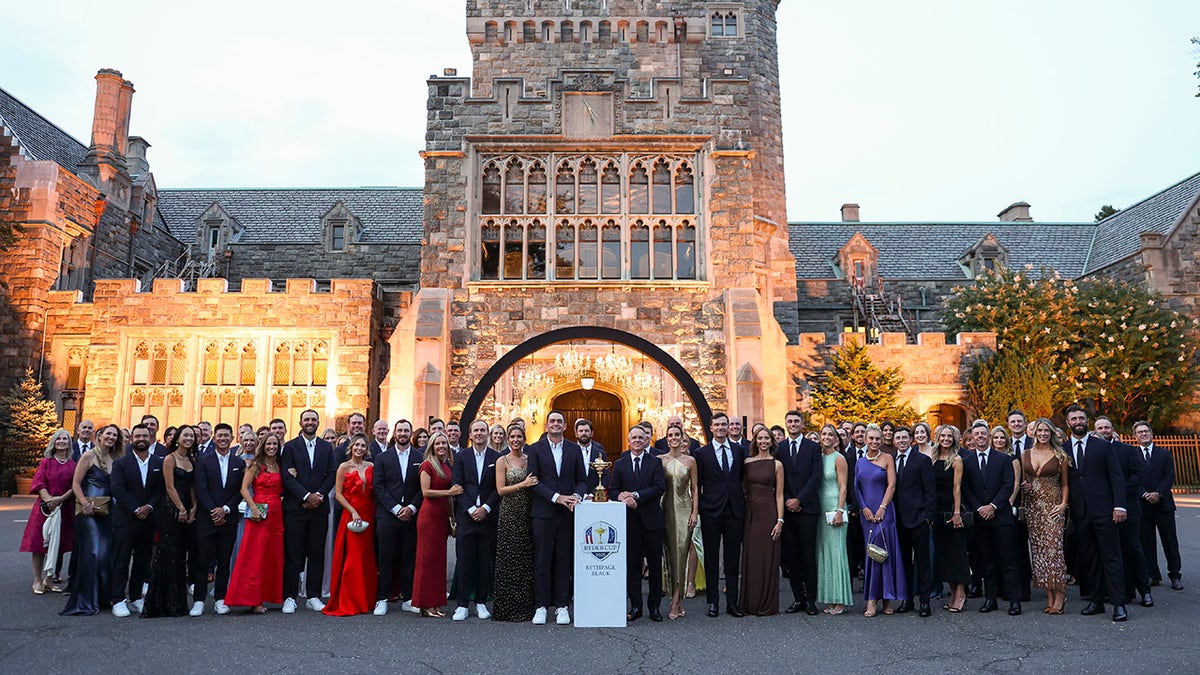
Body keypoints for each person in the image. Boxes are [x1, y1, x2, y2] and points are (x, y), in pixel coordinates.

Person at [1063, 404, 1128, 622]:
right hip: (1080, 514)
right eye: (1074, 419)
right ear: (1068, 423)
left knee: (1111, 558)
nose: (1078, 422)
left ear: (1087, 421)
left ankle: (1118, 605)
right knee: (1090, 560)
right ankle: (1097, 601)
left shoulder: (1102, 446)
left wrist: (1119, 506)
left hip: (1105, 512)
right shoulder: (1063, 449)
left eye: (1081, 418)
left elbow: (1116, 477)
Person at [526, 410, 587, 625]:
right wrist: (556, 497)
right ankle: (541, 606)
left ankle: (562, 606)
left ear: (565, 426)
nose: (555, 424)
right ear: (546, 425)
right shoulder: (535, 449)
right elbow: (533, 481)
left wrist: (576, 497)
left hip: (567, 514)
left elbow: (582, 479)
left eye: (559, 421)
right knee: (542, 560)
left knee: (564, 560)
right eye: (552, 421)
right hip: (543, 512)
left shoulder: (574, 449)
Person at [280, 409, 338, 614]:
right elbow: (286, 477)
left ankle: (313, 596)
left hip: (319, 509)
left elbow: (332, 474)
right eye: (307, 419)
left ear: (318, 422)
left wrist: (319, 495)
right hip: (296, 509)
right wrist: (306, 496)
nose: (310, 422)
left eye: (313, 419)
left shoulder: (326, 447)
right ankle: (289, 597)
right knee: (293, 553)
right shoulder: (290, 447)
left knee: (316, 553)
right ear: (300, 423)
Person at [62, 424, 122, 616]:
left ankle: (103, 597)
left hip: (109, 511)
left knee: (106, 554)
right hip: (89, 512)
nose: (111, 437)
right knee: (93, 553)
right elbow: (76, 483)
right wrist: (84, 503)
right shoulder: (88, 456)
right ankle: (86, 598)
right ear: (100, 435)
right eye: (108, 434)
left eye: (115, 435)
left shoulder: (117, 458)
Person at [1093, 416, 1152, 607]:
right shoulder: (1093, 451)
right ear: (1095, 431)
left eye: (1107, 427)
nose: (1104, 430)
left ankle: (1145, 591)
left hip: (1129, 507)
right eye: (1100, 428)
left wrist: (1119, 491)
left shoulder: (1127, 450)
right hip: (1104, 510)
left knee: (1133, 548)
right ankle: (1121, 592)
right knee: (1112, 553)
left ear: (1113, 429)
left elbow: (1138, 474)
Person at [611, 425, 667, 621]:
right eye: (633, 438)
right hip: (629, 523)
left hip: (652, 522)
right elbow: (613, 490)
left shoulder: (655, 462)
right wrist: (622, 497)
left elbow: (659, 488)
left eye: (640, 438)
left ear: (646, 441)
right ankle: (635, 607)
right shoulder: (620, 464)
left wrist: (635, 495)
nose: (637, 440)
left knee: (655, 567)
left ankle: (654, 608)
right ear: (628, 441)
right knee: (633, 567)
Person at [225, 434, 285, 613]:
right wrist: (253, 508)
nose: (272, 447)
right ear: (263, 445)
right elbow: (244, 489)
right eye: (268, 444)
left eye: (274, 444)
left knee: (271, 556)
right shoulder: (255, 465)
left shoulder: (279, 465)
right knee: (255, 556)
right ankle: (252, 599)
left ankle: (267, 596)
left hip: (276, 513)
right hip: (259, 512)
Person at [694, 412, 746, 618]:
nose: (721, 428)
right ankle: (713, 602)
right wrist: (700, 508)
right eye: (717, 425)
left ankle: (732, 603)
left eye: (724, 424)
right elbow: (698, 484)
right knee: (712, 559)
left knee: (733, 560)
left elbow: (740, 478)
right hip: (711, 511)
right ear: (711, 428)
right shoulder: (701, 453)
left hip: (734, 510)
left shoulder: (739, 450)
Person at [141, 426, 197, 618]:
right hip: (170, 509)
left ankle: (177, 602)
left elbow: (192, 486)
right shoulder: (169, 459)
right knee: (167, 554)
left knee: (180, 556)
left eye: (191, 436)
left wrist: (194, 506)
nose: (189, 438)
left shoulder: (191, 459)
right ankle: (160, 603)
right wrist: (181, 508)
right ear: (177, 438)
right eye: (185, 435)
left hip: (187, 507)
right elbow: (169, 487)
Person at [191, 423, 246, 616]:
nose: (223, 439)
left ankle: (221, 599)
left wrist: (225, 509)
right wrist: (213, 511)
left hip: (228, 518)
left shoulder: (239, 463)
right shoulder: (203, 460)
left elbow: (240, 490)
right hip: (207, 518)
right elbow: (201, 488)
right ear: (214, 438)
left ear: (232, 438)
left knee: (224, 560)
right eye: (220, 435)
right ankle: (198, 600)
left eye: (226, 436)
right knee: (202, 560)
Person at [372, 418, 424, 615]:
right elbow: (378, 486)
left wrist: (411, 507)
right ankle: (382, 598)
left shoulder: (420, 457)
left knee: (409, 558)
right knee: (385, 557)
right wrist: (395, 508)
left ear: (411, 433)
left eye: (406, 431)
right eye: (400, 430)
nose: (403, 434)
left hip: (411, 515)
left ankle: (408, 598)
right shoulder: (382, 458)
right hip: (388, 515)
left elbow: (422, 487)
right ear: (395, 433)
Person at [109, 424, 163, 617]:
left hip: (148, 519)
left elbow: (160, 490)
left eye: (144, 436)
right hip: (126, 519)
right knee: (122, 560)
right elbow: (118, 489)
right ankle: (117, 599)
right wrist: (135, 508)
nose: (141, 439)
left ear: (150, 438)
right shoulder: (121, 463)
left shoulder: (157, 462)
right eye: (138, 436)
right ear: (131, 439)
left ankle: (135, 596)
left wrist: (149, 507)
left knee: (142, 561)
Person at [451, 420, 501, 621]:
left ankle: (481, 602)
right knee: (465, 561)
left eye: (482, 430)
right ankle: (462, 604)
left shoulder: (496, 458)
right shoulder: (461, 457)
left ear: (487, 433)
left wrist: (485, 508)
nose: (479, 433)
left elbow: (498, 488)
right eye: (476, 430)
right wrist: (472, 509)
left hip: (488, 517)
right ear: (470, 434)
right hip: (467, 516)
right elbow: (457, 485)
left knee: (484, 562)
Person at [323, 434, 378, 616]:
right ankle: (350, 600)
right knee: (353, 558)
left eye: (363, 446)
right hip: (351, 514)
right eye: (357, 445)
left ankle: (366, 600)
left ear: (366, 449)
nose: (359, 448)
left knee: (366, 557)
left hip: (368, 513)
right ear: (351, 447)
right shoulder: (343, 467)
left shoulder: (371, 466)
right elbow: (338, 494)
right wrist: (353, 511)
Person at [1021, 418, 1069, 614]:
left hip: (1053, 507)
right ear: (1034, 433)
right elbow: (1024, 480)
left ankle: (1060, 594)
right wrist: (1026, 486)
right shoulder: (1025, 454)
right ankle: (1049, 595)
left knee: (1054, 550)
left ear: (1051, 433)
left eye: (1046, 431)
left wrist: (1063, 504)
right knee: (1039, 551)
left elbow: (1065, 484)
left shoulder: (1060, 455)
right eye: (1039, 430)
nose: (1042, 434)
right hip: (1033, 509)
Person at [411, 431, 462, 616]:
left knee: (438, 561)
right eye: (438, 443)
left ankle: (436, 602)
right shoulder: (427, 465)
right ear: (432, 446)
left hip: (441, 516)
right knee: (427, 560)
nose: (441, 446)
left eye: (444, 443)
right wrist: (449, 493)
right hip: (429, 516)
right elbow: (426, 492)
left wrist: (451, 516)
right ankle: (425, 603)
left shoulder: (445, 465)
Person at [492, 423, 538, 622]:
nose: (516, 440)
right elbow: (500, 490)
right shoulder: (502, 460)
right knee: (509, 558)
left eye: (519, 436)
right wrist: (523, 484)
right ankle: (508, 608)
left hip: (528, 511)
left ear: (524, 439)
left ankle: (526, 607)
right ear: (508, 440)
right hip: (510, 512)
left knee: (526, 558)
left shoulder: (530, 459)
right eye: (512, 437)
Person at [856, 425, 904, 617]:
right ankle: (871, 600)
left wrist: (882, 507)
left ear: (882, 440)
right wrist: (864, 508)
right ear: (865, 440)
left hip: (885, 513)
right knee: (871, 554)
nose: (874, 442)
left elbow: (892, 485)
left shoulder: (887, 458)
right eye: (871, 438)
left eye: (878, 439)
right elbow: (856, 487)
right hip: (867, 514)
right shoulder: (860, 462)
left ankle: (886, 598)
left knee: (884, 553)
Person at [21, 430, 75, 595]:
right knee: (39, 544)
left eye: (65, 438)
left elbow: (75, 486)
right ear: (53, 442)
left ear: (69, 443)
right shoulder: (46, 462)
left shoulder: (73, 465)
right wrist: (49, 500)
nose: (61, 441)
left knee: (57, 543)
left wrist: (60, 500)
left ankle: (49, 579)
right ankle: (37, 580)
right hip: (44, 509)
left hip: (64, 508)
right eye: (58, 438)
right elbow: (39, 482)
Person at [737, 427, 784, 616]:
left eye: (767, 438)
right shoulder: (747, 462)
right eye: (760, 438)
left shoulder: (777, 465)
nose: (763, 441)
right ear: (755, 441)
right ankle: (750, 603)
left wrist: (780, 520)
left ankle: (766, 603)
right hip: (750, 513)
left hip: (768, 513)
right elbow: (741, 487)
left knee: (767, 556)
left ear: (772, 442)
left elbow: (779, 494)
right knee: (751, 556)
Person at [779, 410, 822, 616]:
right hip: (787, 510)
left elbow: (816, 476)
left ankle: (811, 599)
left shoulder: (813, 447)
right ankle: (798, 598)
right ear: (786, 424)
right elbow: (778, 478)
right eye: (790, 421)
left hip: (808, 509)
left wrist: (799, 499)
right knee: (792, 556)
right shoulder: (779, 448)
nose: (793, 424)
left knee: (808, 556)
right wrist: (789, 500)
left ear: (802, 424)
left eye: (796, 421)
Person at [891, 426, 935, 617]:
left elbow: (930, 489)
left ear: (911, 440)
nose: (901, 441)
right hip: (898, 520)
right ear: (894, 441)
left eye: (904, 437)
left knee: (922, 562)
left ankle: (925, 602)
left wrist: (928, 517)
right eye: (898, 438)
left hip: (918, 519)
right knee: (904, 563)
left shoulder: (922, 460)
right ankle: (907, 599)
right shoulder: (891, 460)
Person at [1135, 421, 1182, 591]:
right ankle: (1152, 574)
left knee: (1170, 542)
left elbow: (1169, 476)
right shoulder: (1132, 455)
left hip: (1164, 505)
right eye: (1140, 432)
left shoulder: (1164, 453)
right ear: (1135, 436)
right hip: (1143, 505)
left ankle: (1175, 575)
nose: (1143, 434)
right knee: (1147, 542)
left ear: (1151, 433)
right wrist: (1144, 494)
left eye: (1146, 431)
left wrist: (1158, 493)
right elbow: (1132, 478)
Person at [659, 425, 699, 620]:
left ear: (683, 438)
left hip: (685, 509)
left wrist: (694, 512)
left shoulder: (690, 461)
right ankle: (675, 598)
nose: (674, 438)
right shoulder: (660, 460)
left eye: (677, 435)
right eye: (671, 435)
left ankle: (676, 601)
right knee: (668, 554)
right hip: (664, 509)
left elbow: (696, 487)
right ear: (667, 439)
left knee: (682, 553)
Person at [932, 425, 969, 612]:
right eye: (943, 436)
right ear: (938, 437)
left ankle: (961, 594)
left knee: (957, 552)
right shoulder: (932, 458)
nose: (946, 439)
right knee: (944, 554)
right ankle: (953, 592)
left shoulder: (957, 459)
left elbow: (957, 487)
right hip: (936, 510)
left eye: (949, 436)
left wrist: (956, 512)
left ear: (954, 439)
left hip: (951, 509)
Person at [814, 424, 851, 614]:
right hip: (820, 509)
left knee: (837, 552)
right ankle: (830, 597)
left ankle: (841, 599)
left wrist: (839, 510)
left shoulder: (839, 458)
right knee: (824, 552)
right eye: (824, 434)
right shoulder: (819, 457)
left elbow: (843, 486)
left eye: (831, 434)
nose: (827, 437)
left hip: (835, 507)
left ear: (836, 439)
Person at [994, 425, 1032, 605]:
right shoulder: (990, 458)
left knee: (1015, 550)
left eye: (1002, 438)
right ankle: (1001, 589)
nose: (999, 441)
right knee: (998, 551)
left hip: (1009, 506)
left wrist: (1007, 503)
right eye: (996, 438)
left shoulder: (1013, 458)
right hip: (994, 506)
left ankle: (1020, 590)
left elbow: (1016, 484)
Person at [575, 418, 609, 496]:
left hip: (595, 496)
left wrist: (593, 494)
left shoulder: (600, 453)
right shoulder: (570, 451)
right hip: (575, 496)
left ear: (592, 433)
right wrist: (578, 494)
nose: (584, 433)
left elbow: (606, 476)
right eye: (581, 431)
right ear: (576, 433)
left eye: (587, 431)